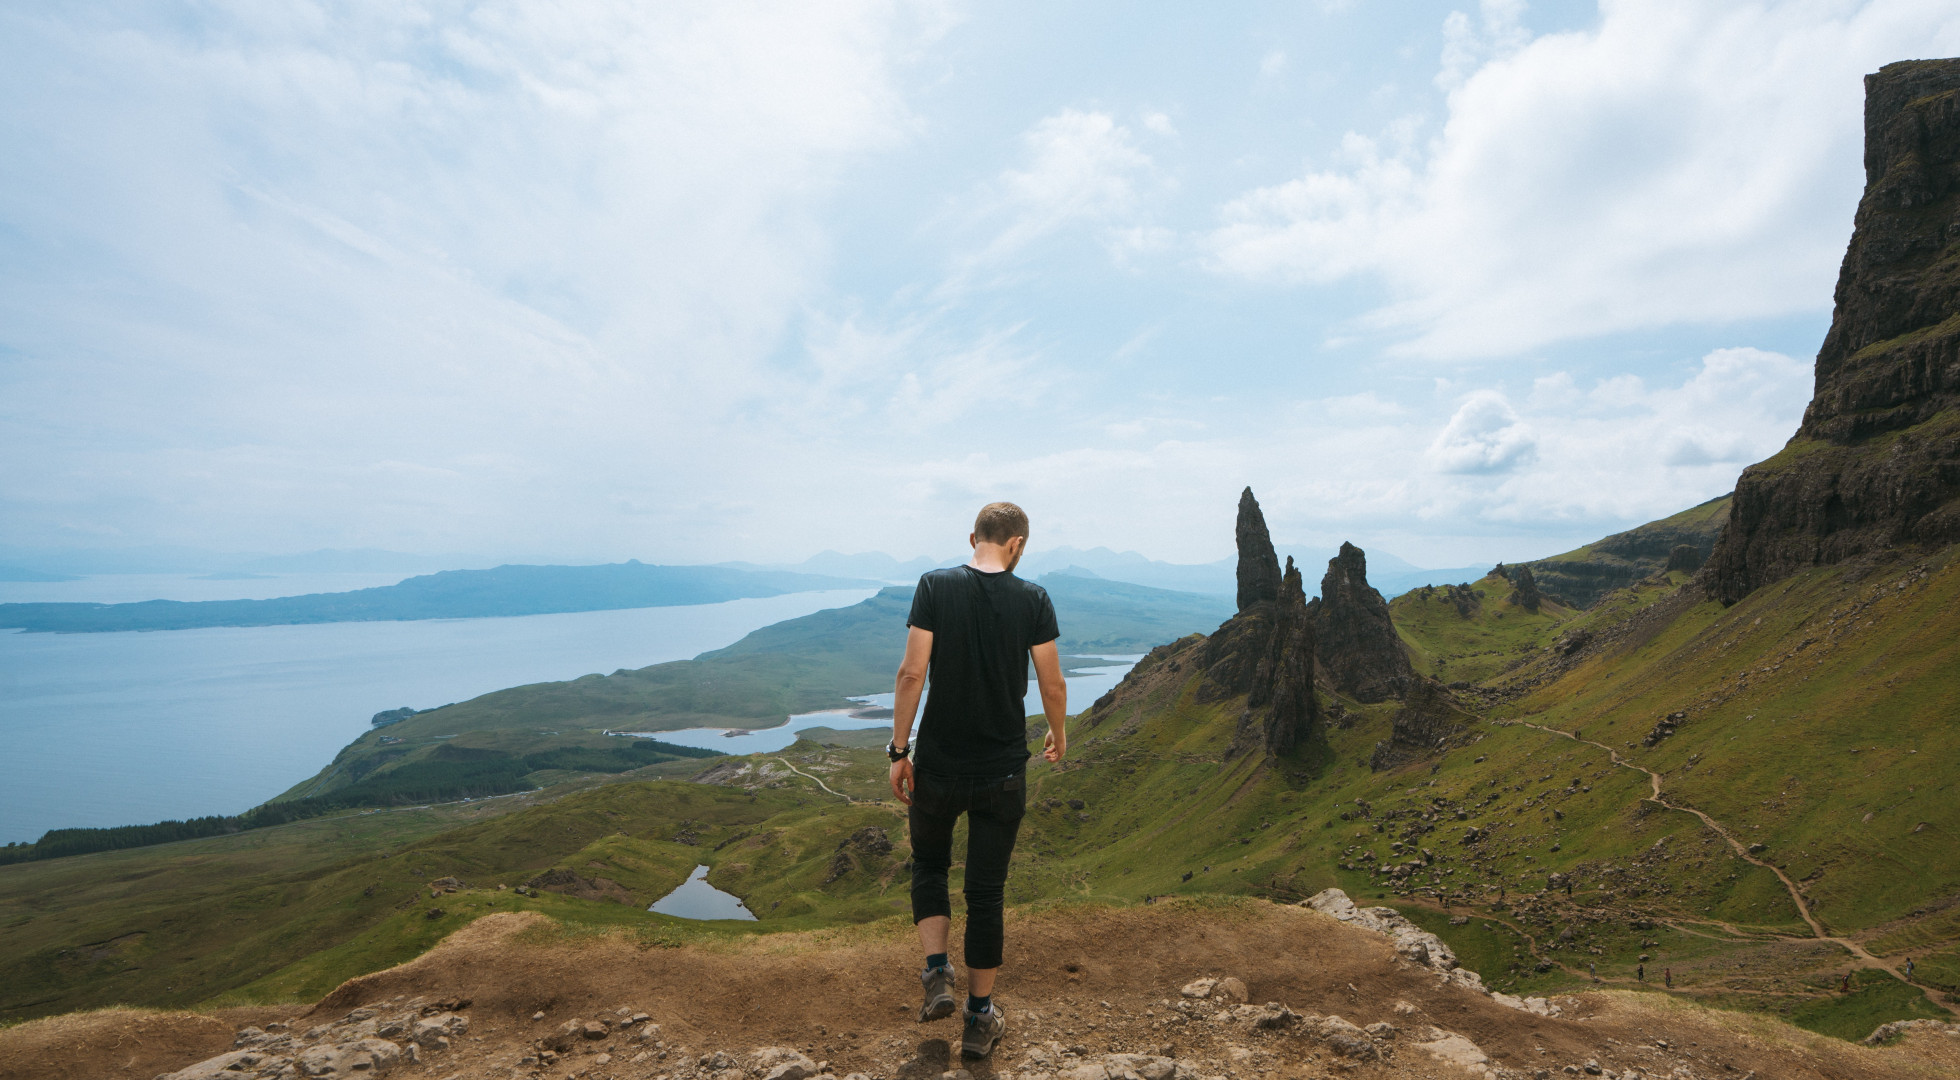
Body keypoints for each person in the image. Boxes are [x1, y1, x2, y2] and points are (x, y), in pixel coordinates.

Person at [889, 501, 1068, 1062]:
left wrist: (899, 751)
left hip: (938, 764)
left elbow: (912, 673)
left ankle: (937, 975)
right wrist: (1058, 733)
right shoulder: (1033, 598)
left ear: (974, 537)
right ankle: (978, 1018)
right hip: (1002, 770)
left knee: (929, 865)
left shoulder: (933, 586)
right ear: (1017, 544)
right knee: (986, 893)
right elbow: (1053, 682)